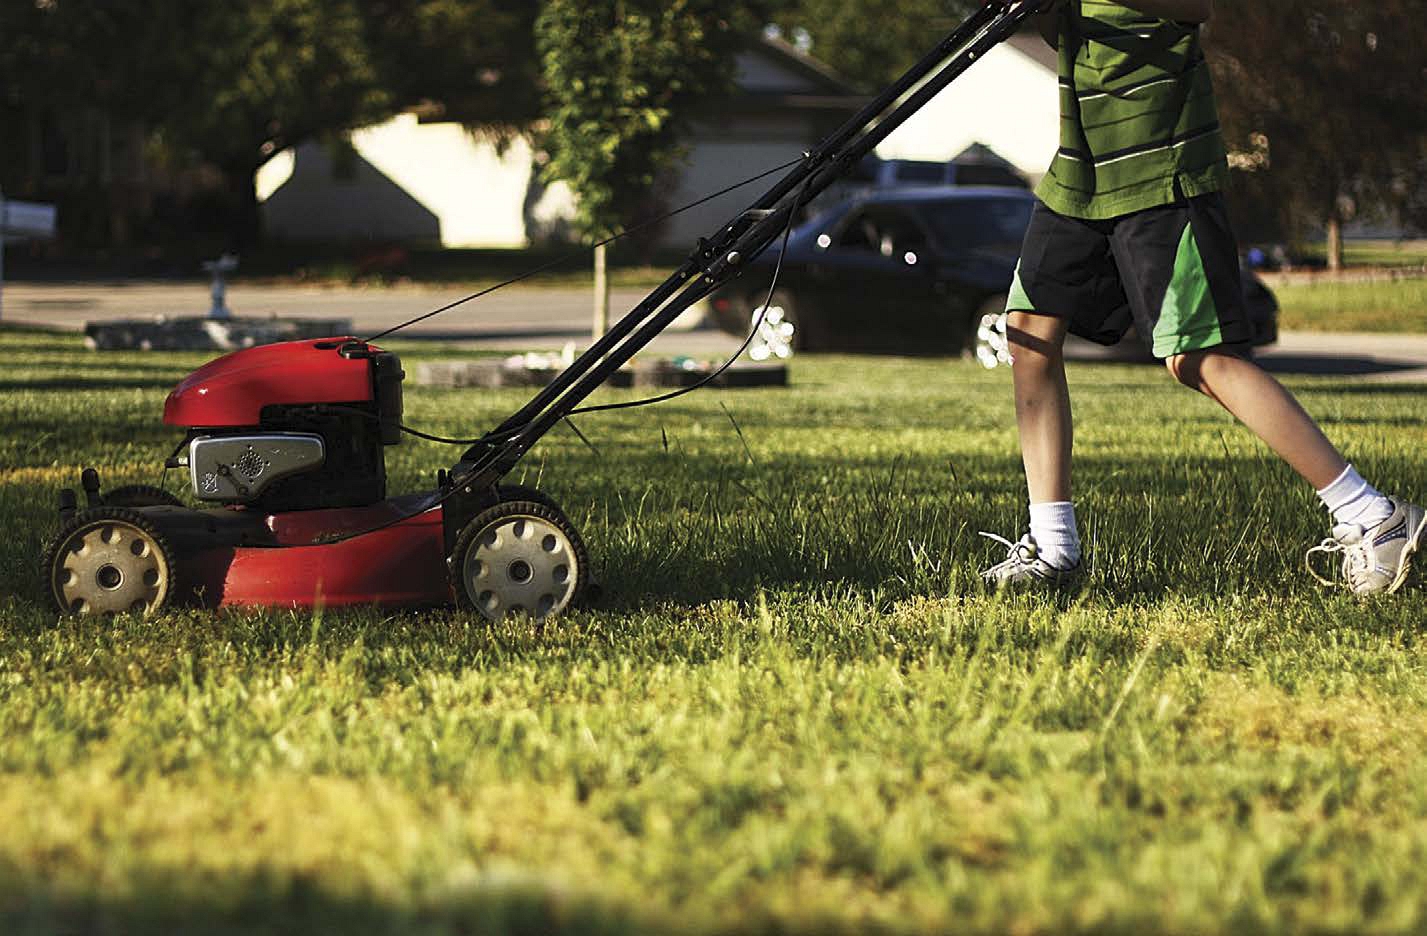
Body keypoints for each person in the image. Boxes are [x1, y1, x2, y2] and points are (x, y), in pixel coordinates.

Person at [981, 0, 1425, 594]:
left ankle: (1373, 516)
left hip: (1163, 165)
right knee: (1028, 335)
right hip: (1083, 171)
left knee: (1200, 359)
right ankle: (1054, 549)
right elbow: (1063, 36)